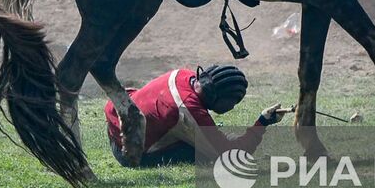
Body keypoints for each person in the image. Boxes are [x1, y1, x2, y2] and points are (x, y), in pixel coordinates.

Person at [105, 65, 287, 168]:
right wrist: (262, 123)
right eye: (233, 102)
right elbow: (230, 155)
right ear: (220, 100)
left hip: (114, 122)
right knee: (204, 154)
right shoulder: (188, 110)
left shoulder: (183, 74)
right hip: (128, 151)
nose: (232, 107)